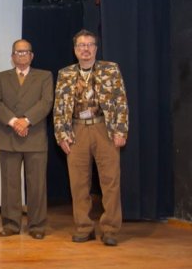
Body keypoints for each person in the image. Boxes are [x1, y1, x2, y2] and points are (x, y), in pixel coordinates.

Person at [53, 29, 128, 246]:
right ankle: (84, 227)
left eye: (89, 45)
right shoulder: (65, 73)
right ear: (75, 50)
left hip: (104, 129)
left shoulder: (110, 69)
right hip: (76, 130)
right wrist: (61, 135)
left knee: (110, 181)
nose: (85, 49)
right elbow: (59, 107)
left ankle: (111, 229)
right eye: (81, 46)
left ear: (95, 48)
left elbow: (121, 100)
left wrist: (121, 131)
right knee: (78, 183)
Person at [0, 39, 53, 239]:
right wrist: (14, 122)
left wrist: (26, 121)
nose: (22, 55)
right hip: (9, 136)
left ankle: (37, 226)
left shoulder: (44, 76)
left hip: (34, 136)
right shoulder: (0, 77)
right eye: (18, 52)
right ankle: (10, 224)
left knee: (37, 184)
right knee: (10, 184)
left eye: (25, 52)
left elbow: (47, 102)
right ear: (12, 56)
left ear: (32, 55)